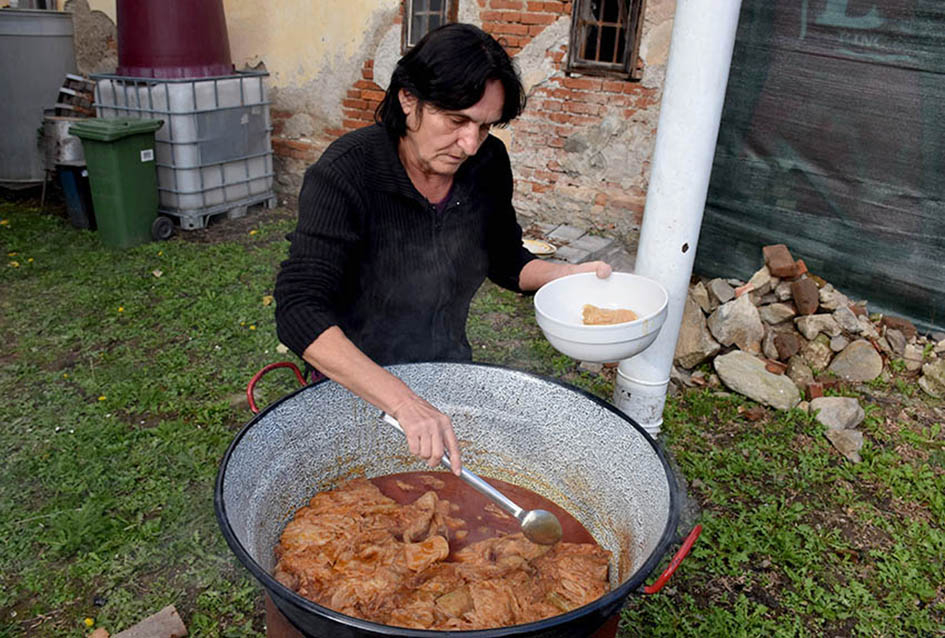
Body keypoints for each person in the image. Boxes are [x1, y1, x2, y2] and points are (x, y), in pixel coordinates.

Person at [274, 23, 611, 475]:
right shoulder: (346, 173)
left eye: (485, 126)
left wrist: (565, 276)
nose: (470, 144)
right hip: (354, 385)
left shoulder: (487, 163)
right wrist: (403, 401)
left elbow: (505, 258)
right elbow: (299, 309)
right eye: (456, 121)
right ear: (408, 99)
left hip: (450, 371)